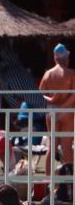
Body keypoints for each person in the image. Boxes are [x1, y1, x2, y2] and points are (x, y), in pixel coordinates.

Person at [39, 43, 75, 175]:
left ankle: (48, 184)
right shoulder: (71, 74)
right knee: (66, 147)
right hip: (66, 112)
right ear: (66, 58)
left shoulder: (48, 74)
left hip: (51, 111)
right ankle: (70, 184)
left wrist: (52, 101)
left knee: (51, 147)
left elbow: (40, 94)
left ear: (55, 58)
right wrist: (64, 107)